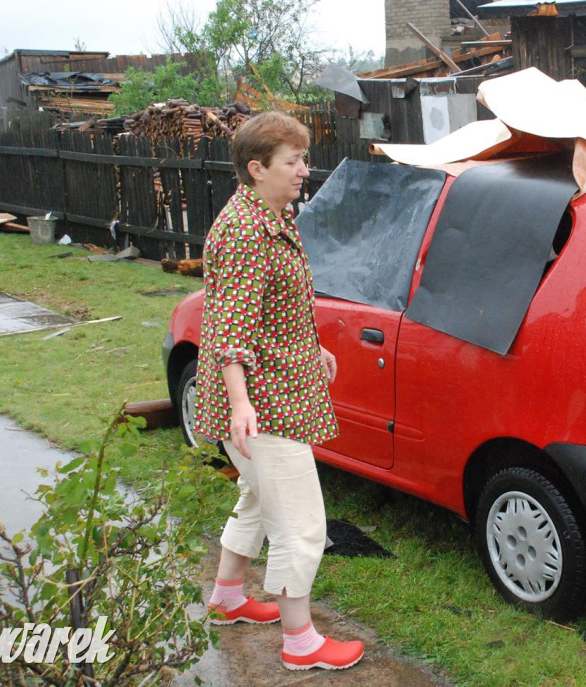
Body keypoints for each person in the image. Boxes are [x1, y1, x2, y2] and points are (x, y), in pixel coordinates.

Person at [193, 111, 364, 672]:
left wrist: (310, 347)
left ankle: (227, 597)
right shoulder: (246, 231)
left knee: (259, 498)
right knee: (300, 524)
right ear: (256, 168)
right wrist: (242, 404)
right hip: (264, 407)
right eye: (292, 161)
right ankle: (301, 642)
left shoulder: (271, 215)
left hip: (275, 386)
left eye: (302, 158)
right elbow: (229, 328)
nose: (303, 170)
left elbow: (270, 307)